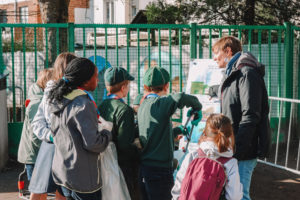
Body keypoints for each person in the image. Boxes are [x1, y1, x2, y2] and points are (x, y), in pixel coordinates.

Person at [211, 36, 270, 200]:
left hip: (243, 149)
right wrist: (214, 90)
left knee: (240, 196)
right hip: (234, 147)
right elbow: (233, 94)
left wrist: (238, 148)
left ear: (227, 51)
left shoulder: (247, 72)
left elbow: (250, 114)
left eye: (216, 53)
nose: (214, 58)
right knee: (233, 194)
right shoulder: (235, 72)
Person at [48, 57, 112, 200]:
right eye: (96, 76)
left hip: (63, 172)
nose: (98, 80)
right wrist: (107, 134)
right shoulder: (83, 104)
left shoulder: (59, 98)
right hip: (83, 179)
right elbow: (93, 143)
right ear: (85, 81)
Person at [137, 66, 202, 200]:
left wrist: (176, 131)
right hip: (160, 171)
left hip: (145, 168)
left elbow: (154, 135)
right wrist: (197, 106)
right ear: (166, 86)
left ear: (145, 86)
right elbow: (180, 97)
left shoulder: (142, 105)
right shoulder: (159, 104)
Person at [30, 52, 77, 200]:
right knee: (41, 188)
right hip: (54, 146)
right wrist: (51, 135)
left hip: (57, 146)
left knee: (59, 190)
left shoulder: (76, 91)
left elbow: (38, 121)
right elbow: (39, 121)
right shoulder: (52, 89)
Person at [172, 113, 243, 200]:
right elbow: (234, 196)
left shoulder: (192, 155)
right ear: (229, 135)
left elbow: (179, 184)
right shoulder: (231, 163)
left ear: (205, 132)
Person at [98, 67, 140, 200]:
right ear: (124, 87)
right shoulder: (124, 110)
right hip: (122, 164)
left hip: (104, 161)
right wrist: (139, 149)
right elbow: (125, 144)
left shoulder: (101, 105)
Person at [17, 68, 53, 181]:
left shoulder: (37, 98)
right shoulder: (37, 102)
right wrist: (48, 149)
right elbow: (35, 133)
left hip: (36, 154)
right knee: (37, 189)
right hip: (34, 155)